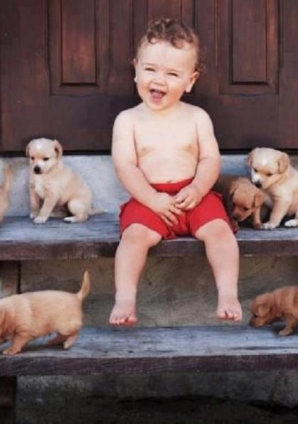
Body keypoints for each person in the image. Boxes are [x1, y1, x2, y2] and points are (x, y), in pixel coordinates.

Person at [109, 18, 242, 327]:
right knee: (133, 238)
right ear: (136, 69)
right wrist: (151, 199)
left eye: (172, 74)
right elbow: (125, 166)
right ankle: (125, 298)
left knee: (220, 233)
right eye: (150, 69)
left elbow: (210, 158)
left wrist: (198, 188)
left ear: (190, 81)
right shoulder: (128, 121)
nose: (159, 80)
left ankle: (228, 294)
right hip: (149, 200)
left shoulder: (197, 117)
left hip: (194, 196)